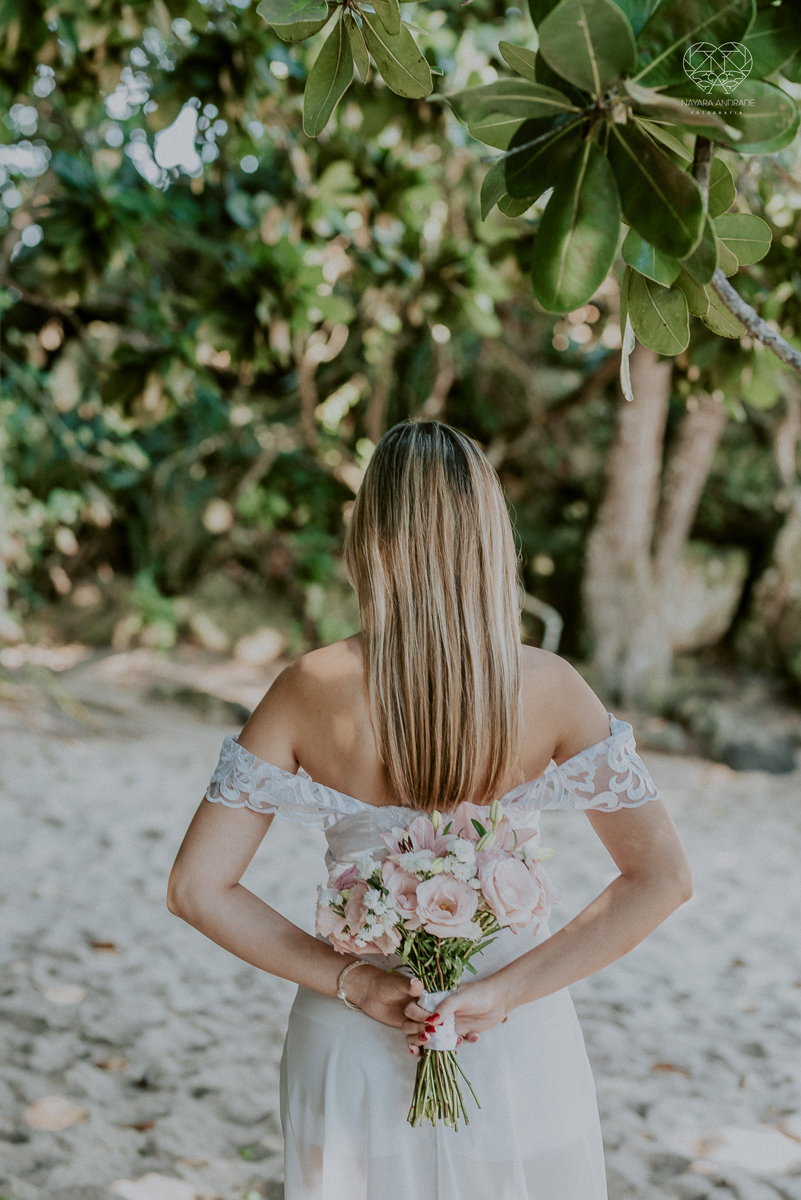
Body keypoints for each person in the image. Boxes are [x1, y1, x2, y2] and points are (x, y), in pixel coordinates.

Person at [167, 418, 692, 1200]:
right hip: (512, 1035)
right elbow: (661, 878)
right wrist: (506, 991)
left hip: (352, 1031)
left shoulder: (305, 688)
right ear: (489, 537)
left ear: (367, 534)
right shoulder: (549, 687)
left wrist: (354, 981)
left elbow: (196, 888)